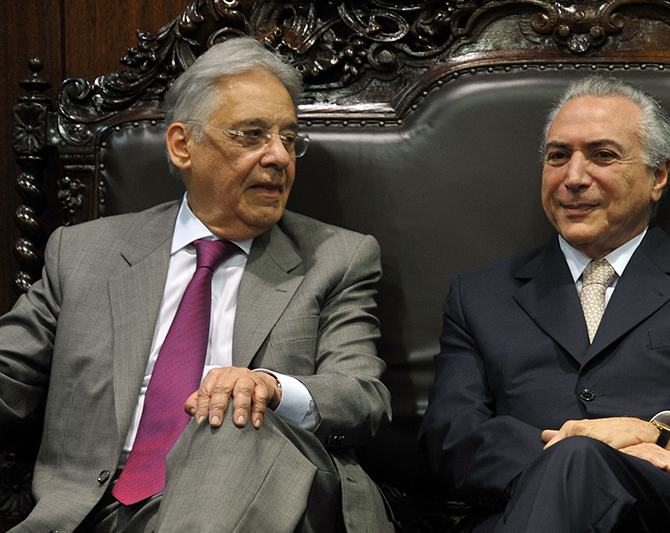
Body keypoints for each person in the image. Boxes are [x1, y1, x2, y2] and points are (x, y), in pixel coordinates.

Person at [0, 37, 394, 532]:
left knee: (231, 415)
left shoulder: (337, 258)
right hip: (88, 510)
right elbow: (8, 374)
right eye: (252, 135)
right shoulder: (83, 254)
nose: (280, 156)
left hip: (260, 501)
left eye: (290, 138)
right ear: (183, 146)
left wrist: (269, 387)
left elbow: (363, 397)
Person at [418, 75, 670, 532]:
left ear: (658, 176)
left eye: (602, 155)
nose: (573, 178)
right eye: (558, 156)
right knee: (577, 460)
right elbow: (448, 438)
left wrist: (661, 433)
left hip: (667, 513)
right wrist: (575, 454)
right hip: (520, 508)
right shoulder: (479, 296)